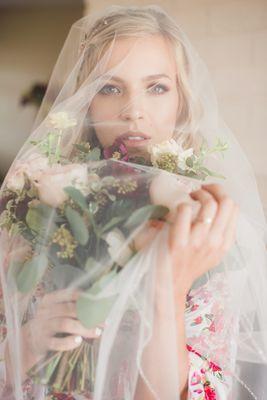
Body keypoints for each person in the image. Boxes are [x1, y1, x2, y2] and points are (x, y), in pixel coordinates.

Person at [0, 5, 267, 400]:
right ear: (87, 100)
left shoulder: (207, 226)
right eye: (109, 87)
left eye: (157, 87)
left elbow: (201, 393)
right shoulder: (35, 202)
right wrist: (26, 344)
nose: (133, 111)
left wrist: (169, 289)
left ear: (182, 99)